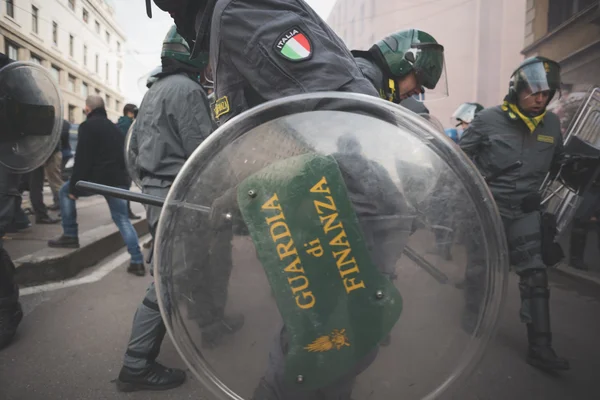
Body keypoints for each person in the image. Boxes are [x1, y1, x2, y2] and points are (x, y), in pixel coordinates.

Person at [147, 1, 446, 398]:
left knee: (331, 351)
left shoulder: (238, 10)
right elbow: (274, 128)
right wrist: (241, 188)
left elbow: (337, 113)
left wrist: (373, 226)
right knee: (316, 351)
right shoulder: (226, 20)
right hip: (324, 220)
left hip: (339, 221)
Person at [116, 26, 218, 392]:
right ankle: (136, 364)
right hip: (179, 194)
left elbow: (132, 152)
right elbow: (205, 149)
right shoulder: (188, 91)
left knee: (192, 266)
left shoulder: (153, 91)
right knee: (170, 279)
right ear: (193, 55)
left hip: (160, 192)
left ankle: (211, 325)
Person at [459, 56, 570, 371]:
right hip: (487, 208)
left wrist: (571, 167)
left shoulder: (551, 124)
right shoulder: (488, 120)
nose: (540, 99)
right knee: (482, 268)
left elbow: (557, 163)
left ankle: (541, 346)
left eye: (546, 94)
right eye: (534, 92)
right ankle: (472, 313)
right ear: (517, 89)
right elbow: (461, 159)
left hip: (524, 211)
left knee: (535, 274)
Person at [47, 96, 145, 277]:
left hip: (97, 180)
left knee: (63, 191)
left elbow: (83, 159)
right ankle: (137, 261)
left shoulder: (87, 126)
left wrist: (74, 188)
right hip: (116, 181)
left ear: (87, 109)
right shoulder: (114, 128)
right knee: (122, 219)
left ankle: (70, 235)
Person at [351, 29, 446, 113]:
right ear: (403, 64)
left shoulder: (379, 86)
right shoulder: (365, 77)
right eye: (419, 80)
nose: (418, 91)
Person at [116, 104, 141, 220]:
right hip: (127, 160)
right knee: (125, 187)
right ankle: (126, 212)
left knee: (122, 187)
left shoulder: (119, 123)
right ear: (130, 113)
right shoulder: (130, 125)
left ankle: (123, 211)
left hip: (119, 160)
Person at [46, 120, 70, 211]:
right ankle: (59, 203)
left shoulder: (57, 122)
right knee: (54, 180)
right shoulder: (63, 122)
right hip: (58, 152)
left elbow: (57, 139)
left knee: (56, 181)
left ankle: (64, 206)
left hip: (54, 154)